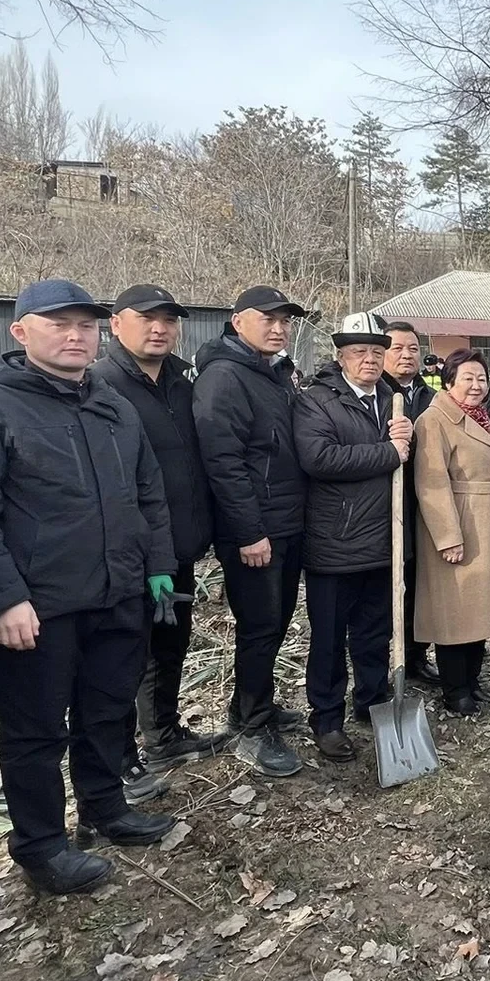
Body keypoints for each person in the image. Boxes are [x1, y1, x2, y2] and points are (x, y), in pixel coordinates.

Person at [0, 280, 176, 896]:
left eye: (85, 325)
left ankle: (105, 806)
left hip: (118, 592)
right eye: (59, 324)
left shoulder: (112, 406)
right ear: (21, 332)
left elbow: (148, 492)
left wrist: (157, 564)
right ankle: (41, 846)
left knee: (107, 709)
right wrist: (2, 600)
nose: (75, 336)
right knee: (35, 731)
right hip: (39, 606)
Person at [97, 285, 220, 794]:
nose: (159, 328)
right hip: (128, 551)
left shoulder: (181, 382)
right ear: (116, 324)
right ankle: (120, 758)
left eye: (169, 320)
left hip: (177, 544)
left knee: (171, 643)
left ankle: (164, 733)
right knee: (127, 655)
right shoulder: (102, 384)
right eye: (147, 318)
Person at [193, 286, 310, 773]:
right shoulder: (224, 377)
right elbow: (223, 463)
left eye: (285, 321)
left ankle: (249, 705)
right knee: (260, 627)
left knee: (274, 623)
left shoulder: (273, 373)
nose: (279, 328)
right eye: (269, 319)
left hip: (284, 521)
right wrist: (248, 532)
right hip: (255, 528)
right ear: (238, 321)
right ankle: (252, 729)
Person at [294, 313, 411, 764]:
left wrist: (409, 437)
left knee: (373, 631)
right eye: (360, 352)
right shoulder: (317, 401)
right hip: (335, 542)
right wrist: (388, 451)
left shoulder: (393, 399)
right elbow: (319, 458)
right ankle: (326, 719)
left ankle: (372, 701)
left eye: (377, 352)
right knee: (328, 638)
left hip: (384, 539)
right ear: (341, 356)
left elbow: (406, 457)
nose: (370, 360)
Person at [412, 350, 490, 714]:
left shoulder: (482, 418)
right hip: (458, 522)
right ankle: (455, 690)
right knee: (454, 613)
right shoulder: (434, 420)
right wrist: (448, 537)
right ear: (449, 382)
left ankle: (472, 681)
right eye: (467, 378)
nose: (476, 385)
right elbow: (431, 482)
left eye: (481, 379)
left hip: (485, 523)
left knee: (479, 610)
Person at [382, 320, 438, 691]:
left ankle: (416, 656)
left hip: (423, 502)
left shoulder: (431, 396)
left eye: (413, 348)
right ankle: (384, 662)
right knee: (387, 587)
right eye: (397, 348)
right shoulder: (376, 392)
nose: (406, 355)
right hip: (384, 505)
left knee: (420, 583)